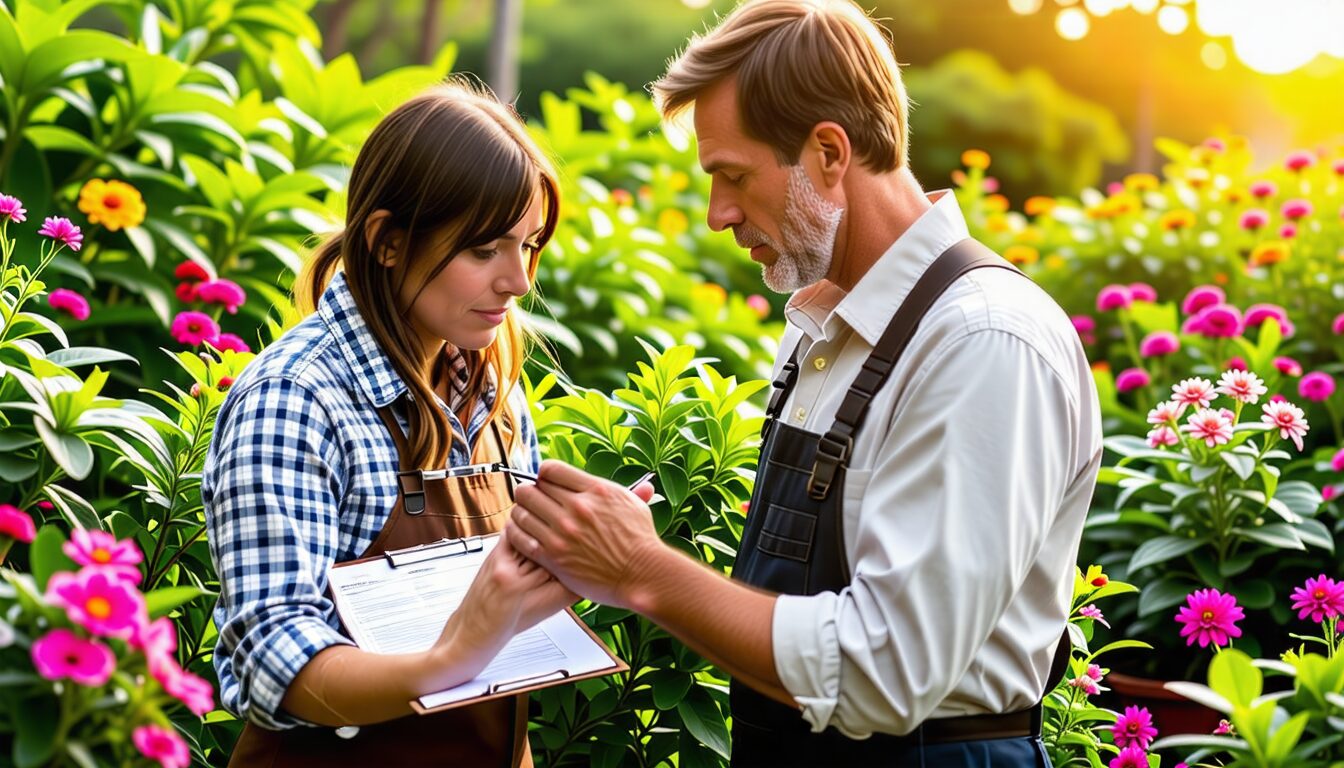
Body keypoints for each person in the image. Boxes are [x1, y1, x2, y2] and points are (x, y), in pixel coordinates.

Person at [504, 1, 1103, 766]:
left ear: (828, 152)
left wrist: (643, 571)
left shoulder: (981, 342)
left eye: (732, 175)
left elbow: (887, 673)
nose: (718, 214)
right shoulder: (824, 324)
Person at [203, 80, 574, 767]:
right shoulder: (297, 400)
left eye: (529, 245)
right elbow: (277, 666)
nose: (519, 281)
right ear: (389, 242)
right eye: (485, 249)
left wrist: (576, 558)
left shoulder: (492, 393)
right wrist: (452, 659)